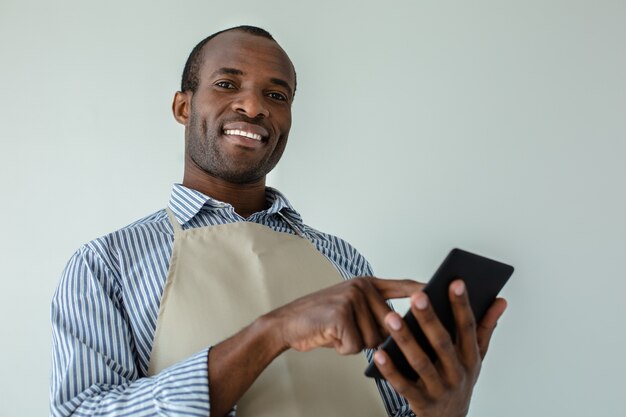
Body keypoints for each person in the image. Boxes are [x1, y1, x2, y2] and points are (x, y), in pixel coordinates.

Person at [50, 25, 507, 417]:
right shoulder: (106, 264)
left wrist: (441, 409)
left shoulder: (342, 258)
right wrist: (274, 331)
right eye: (228, 84)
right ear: (182, 107)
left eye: (276, 95)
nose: (253, 108)